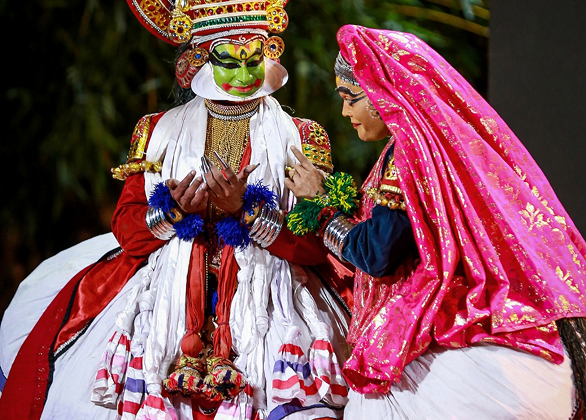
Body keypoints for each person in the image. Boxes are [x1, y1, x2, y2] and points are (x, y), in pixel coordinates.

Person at [0, 2, 352, 419]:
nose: (243, 76)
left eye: (253, 60)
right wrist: (172, 213)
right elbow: (128, 232)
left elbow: (314, 247)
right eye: (228, 61)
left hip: (273, 299)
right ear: (199, 59)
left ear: (270, 54)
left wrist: (248, 214)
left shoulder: (302, 138)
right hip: (167, 294)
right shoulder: (157, 132)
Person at [285, 24, 586, 419]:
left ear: (379, 94)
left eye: (350, 98)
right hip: (529, 350)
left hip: (465, 364)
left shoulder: (409, 152)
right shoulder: (446, 143)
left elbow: (379, 254)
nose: (345, 112)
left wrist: (323, 213)